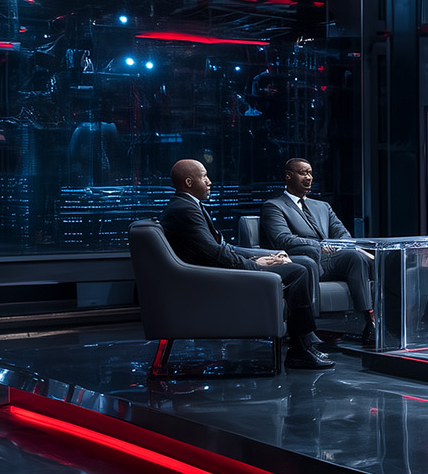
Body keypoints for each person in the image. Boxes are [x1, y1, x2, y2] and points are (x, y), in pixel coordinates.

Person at [160, 159, 332, 370]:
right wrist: (254, 265)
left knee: (297, 266)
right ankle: (299, 349)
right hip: (214, 280)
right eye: (204, 177)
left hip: (217, 272)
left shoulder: (188, 205)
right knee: (298, 271)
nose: (210, 182)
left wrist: (257, 258)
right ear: (188, 181)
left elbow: (221, 248)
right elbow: (214, 253)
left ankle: (304, 345)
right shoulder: (184, 209)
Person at [259, 158, 375, 344]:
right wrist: (319, 246)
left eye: (311, 173)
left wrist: (341, 245)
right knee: (335, 259)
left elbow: (343, 233)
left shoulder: (322, 206)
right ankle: (308, 331)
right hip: (302, 260)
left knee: (357, 257)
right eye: (303, 172)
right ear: (288, 176)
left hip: (329, 260)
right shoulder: (274, 206)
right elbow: (282, 239)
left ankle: (369, 323)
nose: (309, 177)